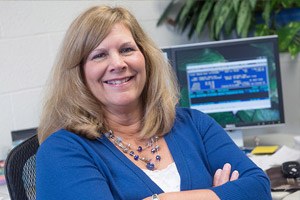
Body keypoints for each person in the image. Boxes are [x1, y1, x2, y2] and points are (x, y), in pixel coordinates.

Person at [36, 5, 272, 200]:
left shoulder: (194, 124)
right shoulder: (63, 151)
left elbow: (259, 188)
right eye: (99, 55)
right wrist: (217, 194)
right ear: (79, 73)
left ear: (146, 58)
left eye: (127, 49)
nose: (118, 63)